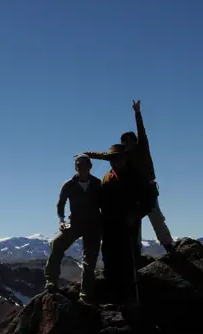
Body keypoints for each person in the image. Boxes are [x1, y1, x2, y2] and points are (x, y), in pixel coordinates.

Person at [85, 100, 174, 254]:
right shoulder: (124, 155)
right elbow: (105, 155)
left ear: (135, 140)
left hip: (148, 188)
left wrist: (137, 113)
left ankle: (168, 245)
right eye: (124, 142)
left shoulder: (143, 148)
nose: (127, 143)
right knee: (135, 220)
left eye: (129, 140)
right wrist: (87, 154)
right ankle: (137, 250)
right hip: (134, 189)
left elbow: (141, 131)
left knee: (155, 217)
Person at [99, 144, 157, 307]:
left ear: (125, 158)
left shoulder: (135, 176)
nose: (114, 161)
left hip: (128, 224)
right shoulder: (106, 178)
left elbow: (149, 200)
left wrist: (135, 214)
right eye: (111, 158)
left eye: (117, 157)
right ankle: (114, 296)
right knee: (110, 259)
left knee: (128, 260)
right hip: (109, 225)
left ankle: (130, 297)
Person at [44, 154, 101, 302]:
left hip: (93, 226)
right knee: (56, 244)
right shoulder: (68, 185)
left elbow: (105, 205)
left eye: (82, 165)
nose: (79, 167)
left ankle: (85, 294)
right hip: (75, 224)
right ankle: (51, 280)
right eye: (77, 165)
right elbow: (60, 204)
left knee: (89, 260)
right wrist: (61, 220)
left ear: (89, 167)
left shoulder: (97, 184)